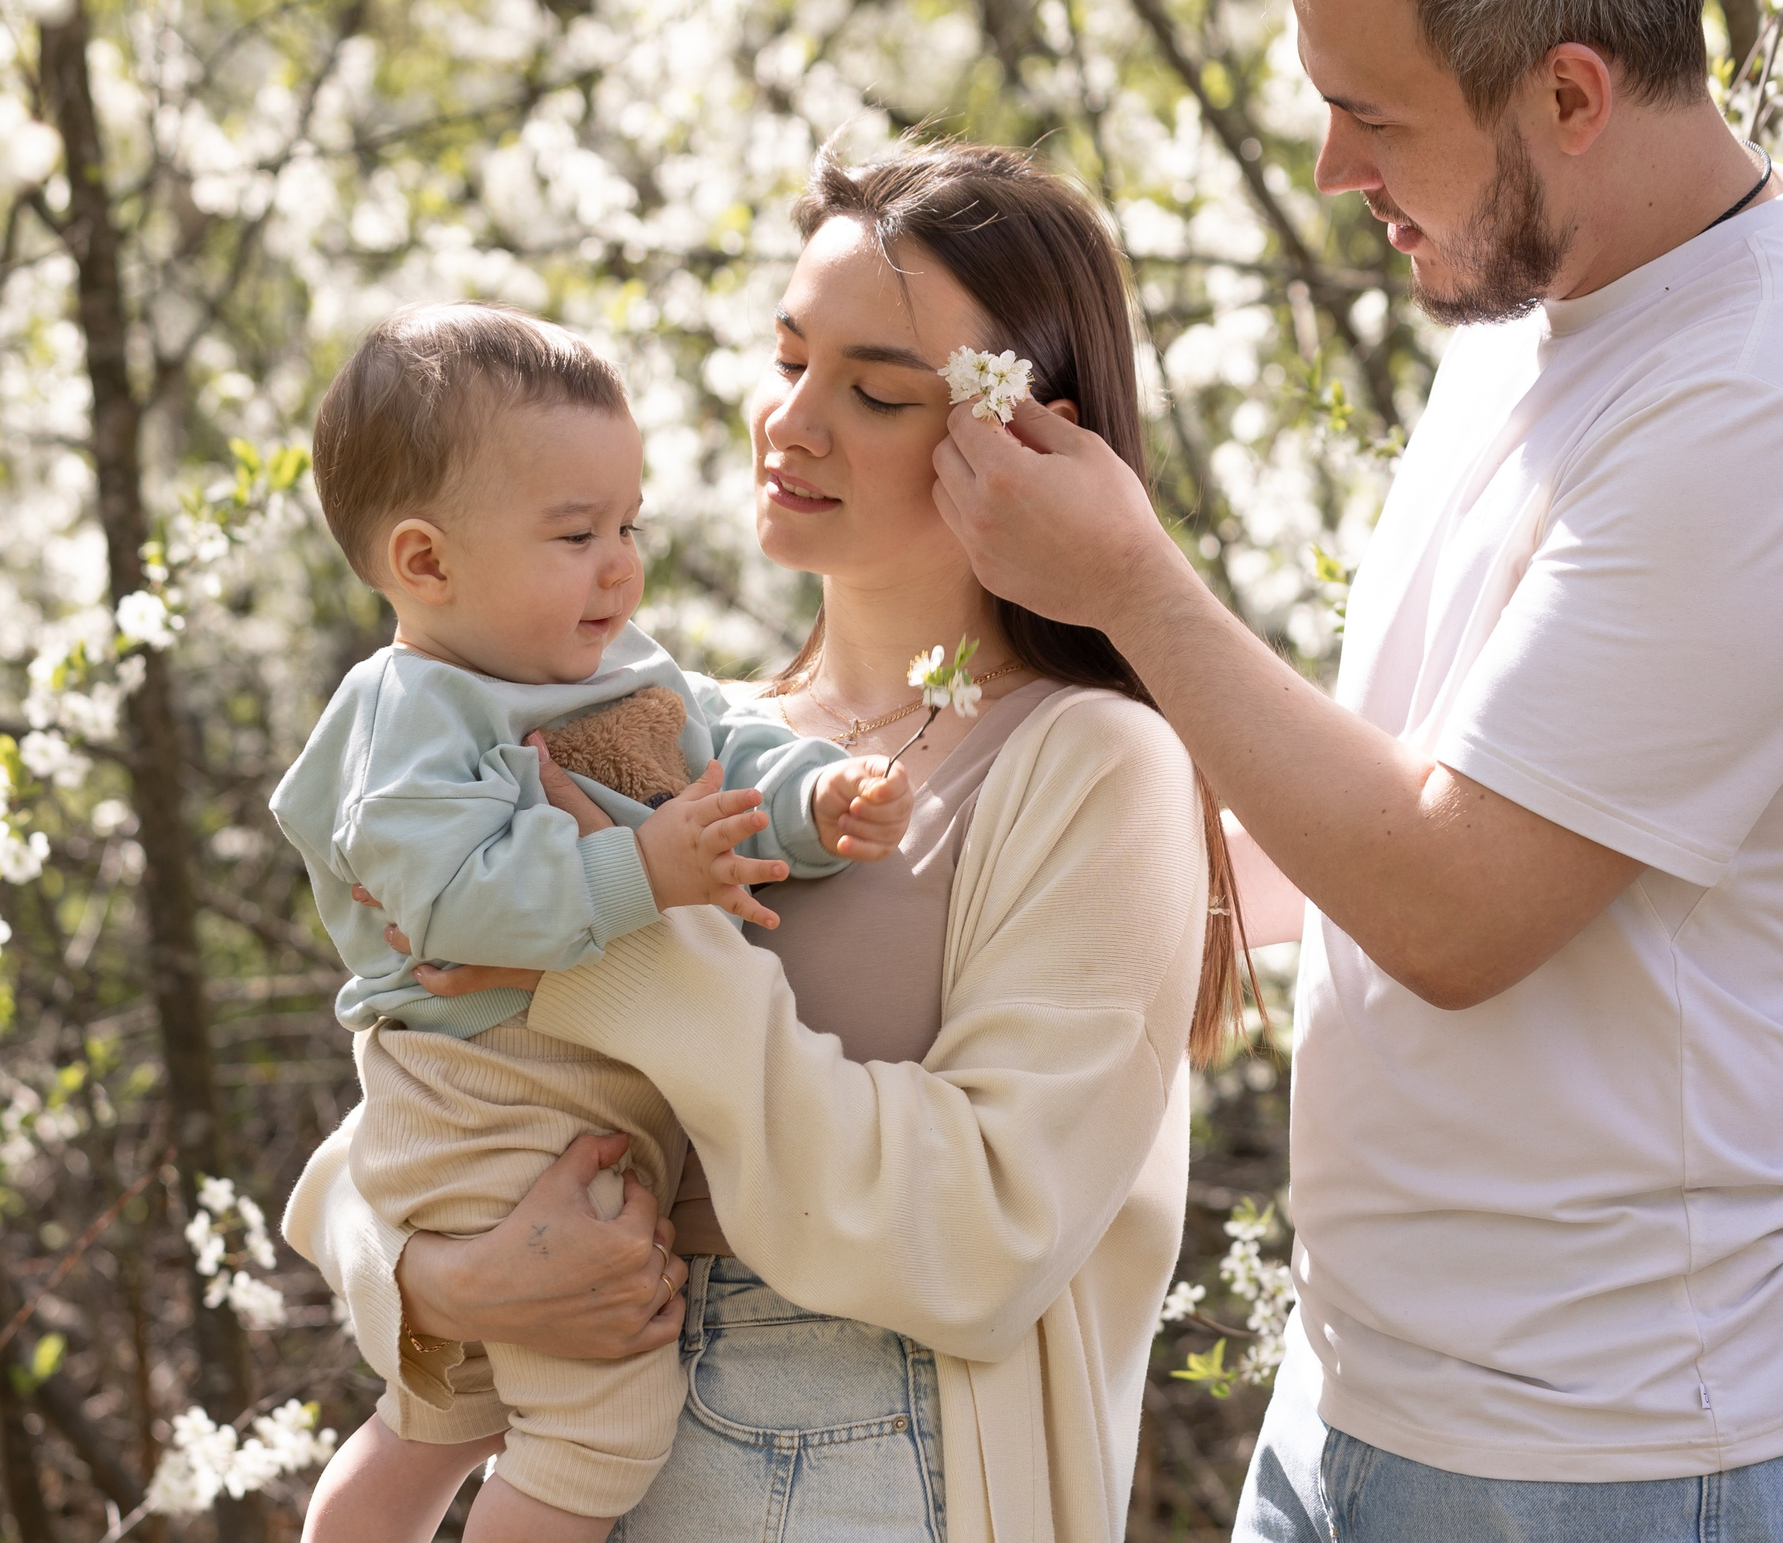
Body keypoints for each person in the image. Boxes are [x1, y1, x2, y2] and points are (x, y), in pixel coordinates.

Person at [924, 0, 1783, 1536]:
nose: (1335, 167)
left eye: (1379, 118)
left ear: (1569, 95)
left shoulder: (1772, 399)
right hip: (1372, 1403)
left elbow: (1452, 907)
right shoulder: (1537, 308)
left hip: (1647, 1459)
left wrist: (1135, 589)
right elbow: (1374, 820)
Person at [284, 143, 1249, 1542]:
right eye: (788, 358)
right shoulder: (685, 727)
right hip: (595, 1453)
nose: (791, 421)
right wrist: (448, 1284)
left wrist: (641, 943)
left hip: (866, 1473)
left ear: (1015, 435)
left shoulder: (1093, 764)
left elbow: (987, 1234)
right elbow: (425, 1091)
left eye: (871, 389)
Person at [272, 302, 913, 1542]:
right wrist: (637, 869)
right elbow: (453, 908)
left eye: (628, 525)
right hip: (489, 1090)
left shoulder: (614, 666)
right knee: (597, 1430)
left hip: (561, 1091)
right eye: (575, 534)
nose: (620, 565)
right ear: (425, 563)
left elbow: (713, 764)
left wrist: (812, 804)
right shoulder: (409, 716)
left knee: (441, 1420)